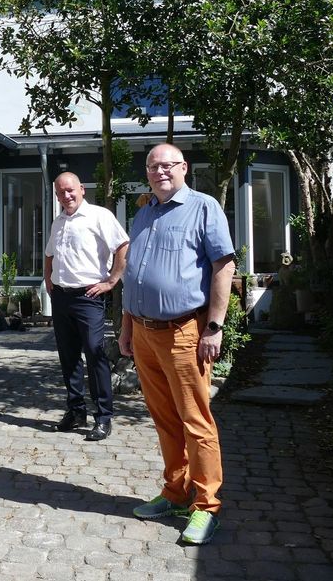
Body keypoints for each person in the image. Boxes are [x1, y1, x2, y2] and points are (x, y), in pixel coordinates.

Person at [119, 144, 235, 545]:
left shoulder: (204, 208)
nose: (160, 171)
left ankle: (206, 506)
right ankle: (175, 492)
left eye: (167, 165)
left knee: (195, 421)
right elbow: (133, 276)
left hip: (185, 332)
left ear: (183, 167)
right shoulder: (143, 213)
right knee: (165, 419)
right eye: (153, 166)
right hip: (145, 333)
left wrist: (215, 327)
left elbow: (224, 267)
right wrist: (127, 328)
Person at [44, 172, 129, 442]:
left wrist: (112, 280)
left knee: (95, 353)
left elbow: (122, 245)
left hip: (88, 297)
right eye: (60, 193)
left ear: (81, 189)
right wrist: (48, 279)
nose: (65, 196)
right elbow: (49, 254)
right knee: (68, 358)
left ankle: (103, 417)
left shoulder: (99, 216)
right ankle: (75, 411)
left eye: (70, 190)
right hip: (61, 297)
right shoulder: (58, 221)